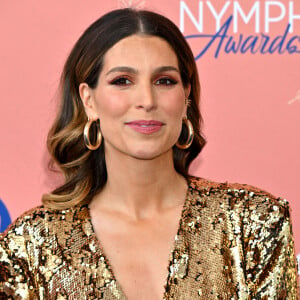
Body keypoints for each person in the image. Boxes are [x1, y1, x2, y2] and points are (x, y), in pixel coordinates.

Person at [0, 8, 298, 300]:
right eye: (122, 81)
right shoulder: (31, 243)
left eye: (164, 81)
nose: (146, 100)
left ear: (186, 98)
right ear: (88, 100)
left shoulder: (252, 223)